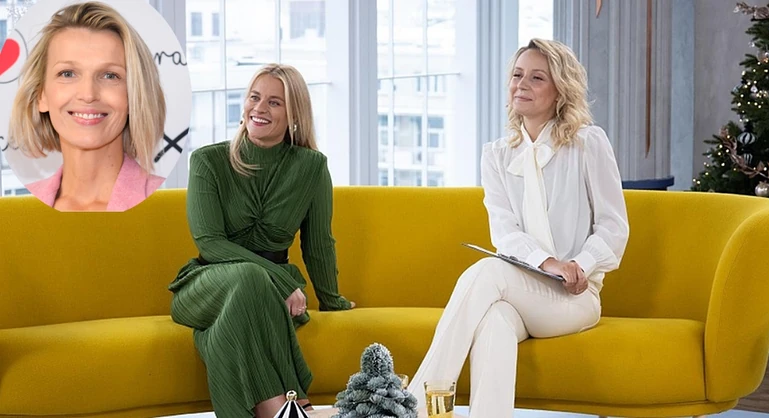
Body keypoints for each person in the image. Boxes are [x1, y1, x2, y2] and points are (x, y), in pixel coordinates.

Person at [408, 38, 630, 418]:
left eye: (537, 77)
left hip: (576, 298)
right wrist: (547, 263)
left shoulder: (587, 143)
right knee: (494, 321)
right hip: (520, 292)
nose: (521, 85)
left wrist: (578, 266)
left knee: (489, 270)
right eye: (517, 75)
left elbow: (614, 226)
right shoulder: (496, 154)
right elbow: (505, 233)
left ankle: (412, 406)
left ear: (560, 89)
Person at [168, 63, 355, 418]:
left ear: (294, 114)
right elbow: (210, 243)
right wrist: (281, 280)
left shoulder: (312, 167)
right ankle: (292, 403)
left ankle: (276, 410)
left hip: (267, 298)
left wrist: (333, 301)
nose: (259, 108)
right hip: (206, 287)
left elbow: (318, 244)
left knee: (229, 325)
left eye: (274, 102)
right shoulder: (207, 161)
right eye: (254, 97)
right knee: (250, 277)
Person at [8, 1, 166, 212]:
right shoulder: (16, 214)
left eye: (110, 75)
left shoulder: (172, 206)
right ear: (41, 95)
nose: (88, 94)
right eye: (67, 74)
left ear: (134, 96)